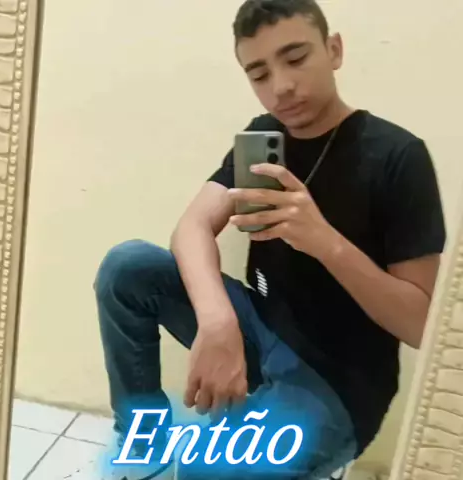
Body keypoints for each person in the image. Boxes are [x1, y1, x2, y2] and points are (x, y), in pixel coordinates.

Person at [91, 0, 447, 479]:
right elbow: (191, 227)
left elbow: (421, 325)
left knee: (205, 470)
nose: (280, 86)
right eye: (258, 74)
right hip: (260, 328)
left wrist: (325, 242)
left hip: (338, 378)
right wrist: (218, 322)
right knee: (128, 268)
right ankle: (146, 441)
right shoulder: (263, 136)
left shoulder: (398, 157)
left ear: (334, 50)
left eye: (296, 58)